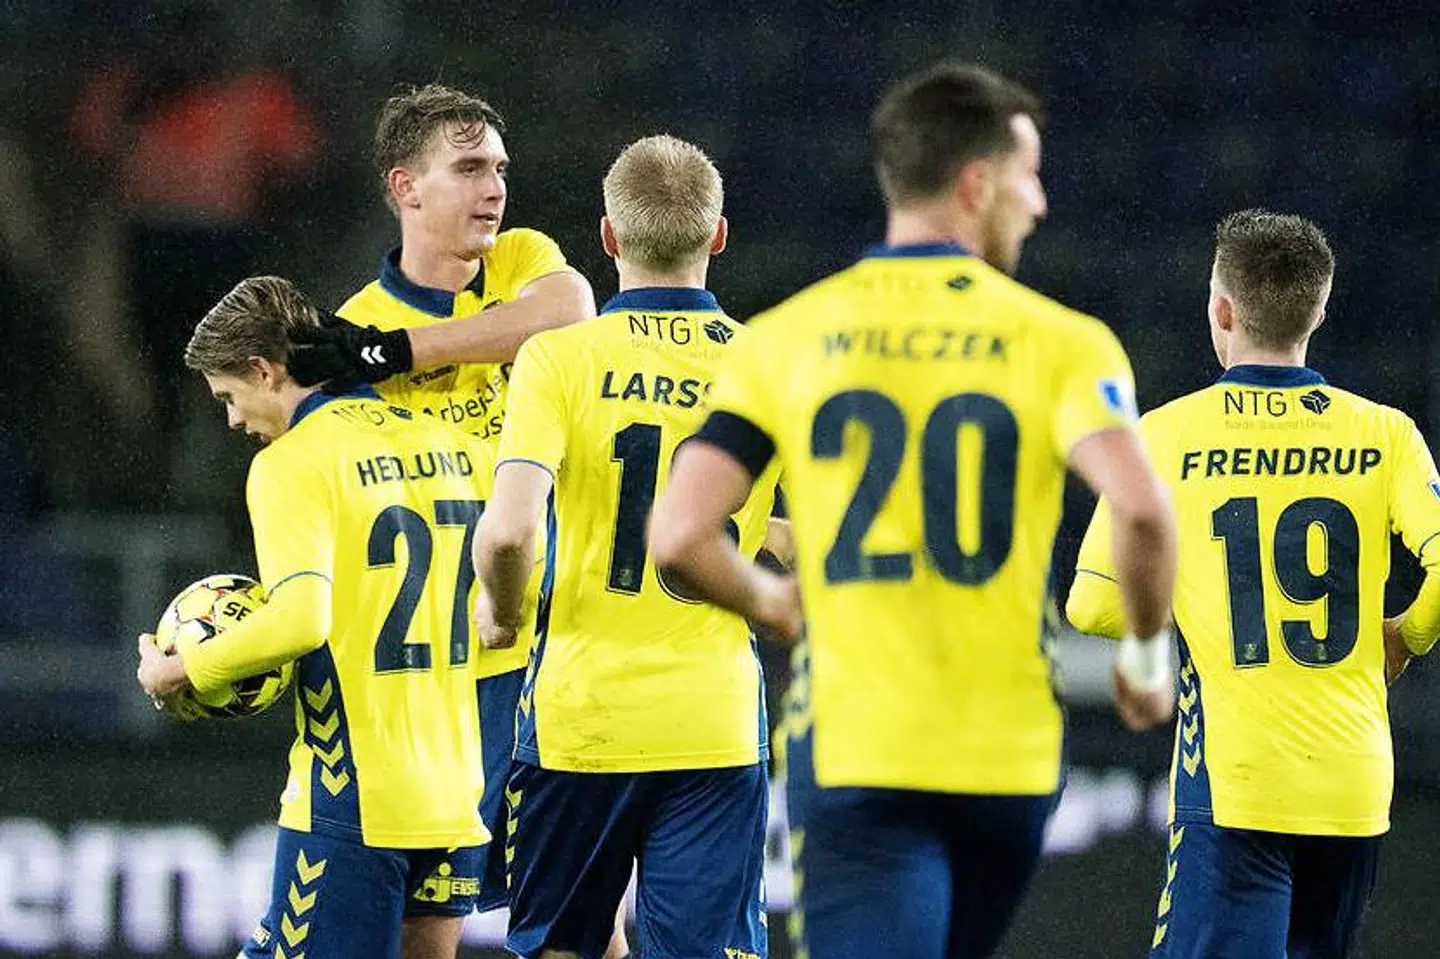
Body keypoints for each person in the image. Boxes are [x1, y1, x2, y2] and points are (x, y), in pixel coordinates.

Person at [647, 62, 1177, 959]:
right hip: (1007, 760)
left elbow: (680, 534)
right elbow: (1144, 511)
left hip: (860, 749)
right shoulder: (1064, 342)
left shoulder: (787, 337)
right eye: (1026, 176)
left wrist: (773, 603)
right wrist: (1144, 652)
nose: (1039, 203)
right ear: (974, 185)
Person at [1067, 210, 1440, 958]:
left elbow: (1092, 602)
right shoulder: (1386, 433)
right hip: (1355, 790)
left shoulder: (1164, 436)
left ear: (1221, 310)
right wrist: (1407, 634)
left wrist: (1205, 596)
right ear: (1320, 311)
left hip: (1236, 792)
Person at [287, 83, 599, 930]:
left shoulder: (520, 262)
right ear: (405, 186)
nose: (494, 187)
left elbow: (571, 312)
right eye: (468, 169)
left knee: (580, 923)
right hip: (440, 687)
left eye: (499, 167)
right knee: (431, 932)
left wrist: (401, 353)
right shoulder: (351, 329)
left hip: (549, 661)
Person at [472, 134, 780, 959]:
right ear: (718, 237)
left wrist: (500, 612)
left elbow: (508, 528)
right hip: (712, 718)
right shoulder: (771, 365)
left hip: (582, 715)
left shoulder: (558, 358)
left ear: (607, 236)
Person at [136, 276, 493, 959]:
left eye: (228, 397)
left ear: (264, 371)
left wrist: (180, 669)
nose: (234, 420)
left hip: (357, 803)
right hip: (455, 799)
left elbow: (301, 618)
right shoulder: (452, 445)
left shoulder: (290, 464)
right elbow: (517, 559)